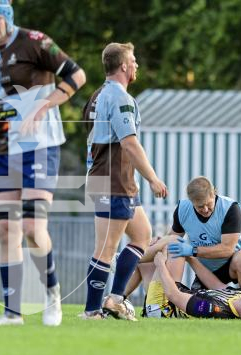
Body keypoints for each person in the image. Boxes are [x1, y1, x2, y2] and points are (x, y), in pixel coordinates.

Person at [0, 0, 86, 326]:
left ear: (8, 18)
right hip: (5, 148)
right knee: (6, 228)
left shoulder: (35, 42)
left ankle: (52, 295)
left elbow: (77, 75)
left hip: (41, 145)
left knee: (34, 229)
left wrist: (41, 108)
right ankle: (12, 313)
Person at [81, 42, 167, 320]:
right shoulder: (119, 97)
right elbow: (129, 143)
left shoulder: (96, 95)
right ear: (124, 66)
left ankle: (115, 299)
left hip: (111, 179)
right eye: (134, 60)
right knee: (105, 248)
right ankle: (92, 311)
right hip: (113, 179)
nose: (137, 65)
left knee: (142, 234)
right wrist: (153, 178)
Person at [166, 176, 241, 292]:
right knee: (198, 309)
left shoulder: (230, 208)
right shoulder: (182, 209)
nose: (205, 209)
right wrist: (159, 242)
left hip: (232, 262)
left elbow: (227, 249)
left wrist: (192, 250)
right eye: (200, 206)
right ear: (191, 201)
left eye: (208, 204)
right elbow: (171, 238)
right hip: (206, 269)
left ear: (214, 193)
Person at [148, 250, 241, 320]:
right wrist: (191, 258)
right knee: (160, 248)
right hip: (175, 290)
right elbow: (213, 283)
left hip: (162, 307)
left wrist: (160, 264)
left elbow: (173, 295)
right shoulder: (239, 296)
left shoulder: (213, 309)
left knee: (171, 244)